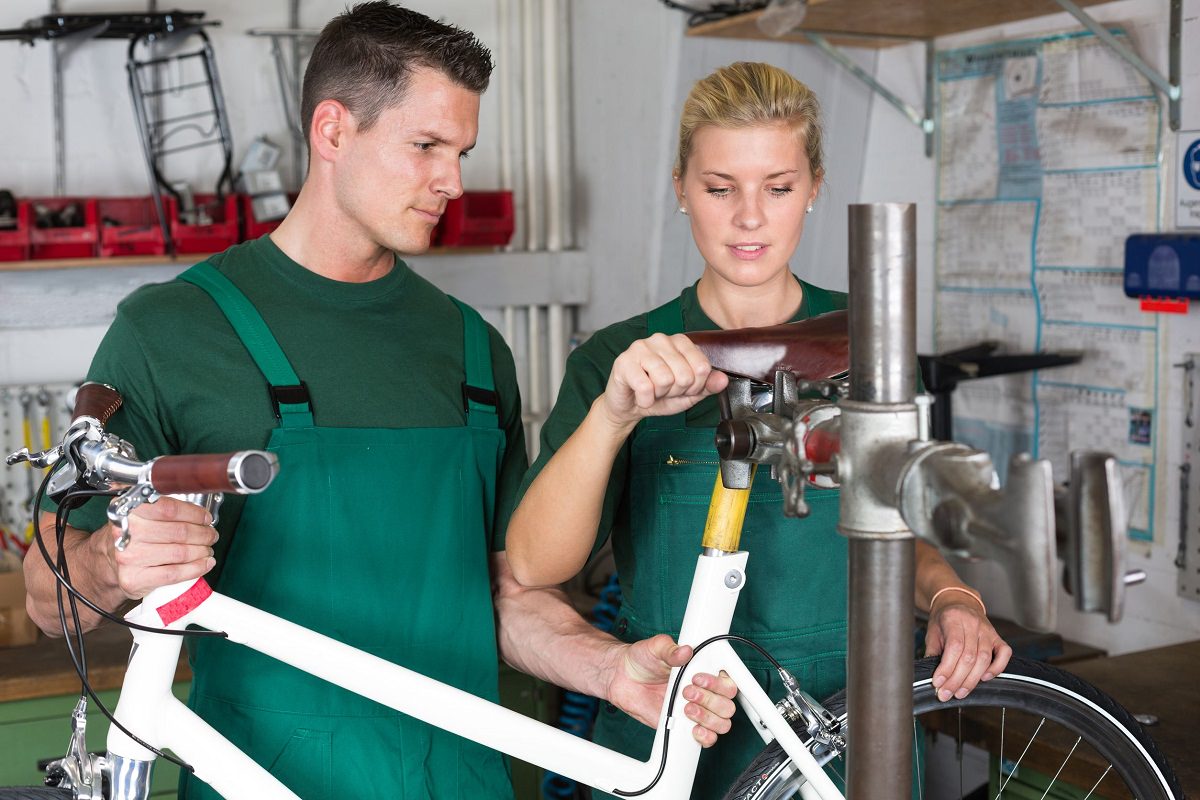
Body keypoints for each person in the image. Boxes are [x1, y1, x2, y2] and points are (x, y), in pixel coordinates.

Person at [23, 5, 736, 798]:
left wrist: (609, 669)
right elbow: (50, 600)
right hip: (261, 776)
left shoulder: (471, 348)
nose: (453, 181)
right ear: (333, 131)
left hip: (461, 778)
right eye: (426, 146)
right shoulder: (173, 332)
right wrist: (113, 563)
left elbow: (505, 597)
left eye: (461, 151)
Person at [505, 62, 1013, 799]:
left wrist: (952, 598)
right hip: (678, 723)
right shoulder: (621, 359)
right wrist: (613, 416)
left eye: (777, 187)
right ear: (681, 187)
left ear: (813, 186)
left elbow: (899, 530)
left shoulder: (865, 337)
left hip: (846, 728)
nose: (750, 218)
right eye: (720, 189)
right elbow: (535, 564)